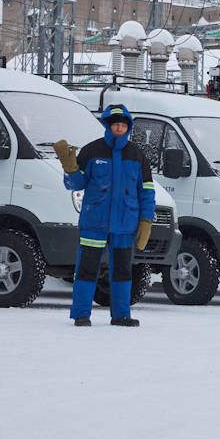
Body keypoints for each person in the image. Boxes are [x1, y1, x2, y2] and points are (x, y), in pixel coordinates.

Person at [54, 103, 154, 327]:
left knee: (122, 271)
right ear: (108, 126)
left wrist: (146, 219)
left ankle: (121, 315)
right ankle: (81, 314)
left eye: (123, 125)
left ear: (128, 128)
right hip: (94, 222)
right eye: (116, 125)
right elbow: (75, 184)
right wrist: (70, 168)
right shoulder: (92, 151)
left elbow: (147, 191)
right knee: (87, 269)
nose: (119, 128)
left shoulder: (138, 156)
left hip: (125, 225)